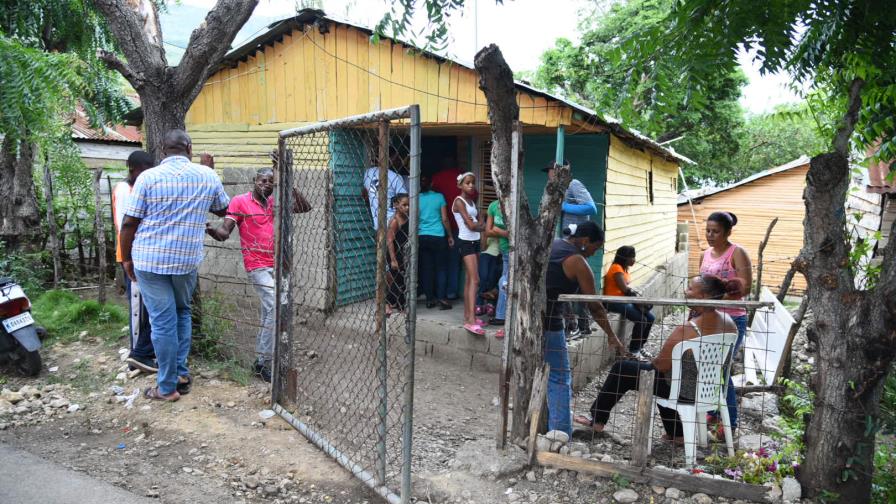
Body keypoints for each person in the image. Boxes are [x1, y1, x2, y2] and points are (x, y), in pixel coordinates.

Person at [119, 130, 230, 401]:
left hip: (150, 261)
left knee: (162, 323)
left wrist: (126, 258)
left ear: (162, 148)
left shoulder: (147, 178)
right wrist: (209, 176)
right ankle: (180, 372)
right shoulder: (206, 175)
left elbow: (129, 223)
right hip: (186, 261)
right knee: (181, 313)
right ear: (189, 148)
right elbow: (223, 208)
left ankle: (167, 387)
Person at [574, 275, 743, 443]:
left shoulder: (689, 328)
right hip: (709, 389)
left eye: (690, 288)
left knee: (623, 369)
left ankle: (596, 419)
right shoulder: (730, 323)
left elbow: (661, 366)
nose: (686, 291)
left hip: (685, 392)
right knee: (665, 378)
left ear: (704, 297)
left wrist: (649, 362)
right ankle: (677, 434)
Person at [206, 156, 312, 382]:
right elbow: (226, 231)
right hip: (257, 264)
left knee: (269, 312)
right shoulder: (240, 202)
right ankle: (264, 361)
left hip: (277, 263)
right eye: (262, 181)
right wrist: (214, 231)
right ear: (254, 181)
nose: (265, 184)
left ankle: (260, 360)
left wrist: (288, 183)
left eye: (270, 182)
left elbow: (305, 207)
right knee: (275, 307)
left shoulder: (275, 202)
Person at [544, 221, 627, 436]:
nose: (593, 253)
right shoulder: (578, 262)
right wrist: (612, 336)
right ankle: (560, 433)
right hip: (550, 325)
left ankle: (539, 423)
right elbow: (595, 307)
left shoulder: (553, 246)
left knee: (538, 372)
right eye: (594, 248)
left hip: (527, 322)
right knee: (560, 377)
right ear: (584, 241)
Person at [699, 211, 752, 439]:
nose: (711, 235)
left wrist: (717, 299)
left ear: (728, 232)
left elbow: (746, 287)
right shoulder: (705, 254)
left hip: (731, 320)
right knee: (706, 367)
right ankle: (712, 412)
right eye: (708, 230)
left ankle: (729, 422)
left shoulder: (737, 253)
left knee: (721, 369)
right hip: (708, 319)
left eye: (716, 231)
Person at [113, 150, 156, 373]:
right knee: (138, 307)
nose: (147, 175)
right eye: (143, 171)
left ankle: (145, 351)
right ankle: (137, 355)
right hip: (131, 256)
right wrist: (128, 258)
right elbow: (125, 225)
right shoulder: (125, 190)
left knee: (148, 308)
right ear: (133, 170)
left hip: (143, 255)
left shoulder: (140, 188)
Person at [544, 160, 597, 336]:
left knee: (581, 286)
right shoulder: (557, 190)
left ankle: (583, 325)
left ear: (561, 171)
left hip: (580, 242)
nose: (549, 175)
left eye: (551, 171)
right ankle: (572, 324)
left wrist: (564, 206)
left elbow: (591, 207)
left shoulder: (574, 184)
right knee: (567, 285)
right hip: (566, 241)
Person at [603, 246, 656, 357]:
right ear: (625, 258)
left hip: (624, 300)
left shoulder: (624, 269)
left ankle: (640, 346)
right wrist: (637, 299)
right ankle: (634, 351)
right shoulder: (616, 268)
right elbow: (624, 289)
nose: (634, 260)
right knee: (641, 320)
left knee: (650, 318)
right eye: (632, 257)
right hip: (614, 302)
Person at [452, 172, 485, 335]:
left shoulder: (471, 201)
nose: (471, 185)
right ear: (460, 185)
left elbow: (480, 223)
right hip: (465, 242)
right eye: (467, 183)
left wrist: (478, 224)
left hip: (475, 241)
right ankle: (471, 320)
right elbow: (473, 226)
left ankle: (467, 315)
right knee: (475, 280)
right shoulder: (459, 202)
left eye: (473, 182)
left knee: (469, 280)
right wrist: (479, 225)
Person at [431, 158, 469, 300]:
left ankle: (437, 293)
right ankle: (451, 292)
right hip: (460, 226)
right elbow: (474, 197)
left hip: (440, 228)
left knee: (439, 262)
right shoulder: (464, 178)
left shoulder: (437, 178)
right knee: (454, 262)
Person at [418, 174, 454, 310]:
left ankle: (429, 299)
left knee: (427, 269)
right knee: (441, 269)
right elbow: (445, 219)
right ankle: (442, 299)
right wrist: (450, 235)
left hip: (422, 236)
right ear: (432, 183)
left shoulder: (415, 199)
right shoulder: (439, 197)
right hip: (438, 236)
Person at [362, 148, 407, 230]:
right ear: (387, 158)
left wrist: (375, 199)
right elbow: (405, 203)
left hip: (378, 224)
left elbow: (365, 194)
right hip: (395, 226)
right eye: (396, 158)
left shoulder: (368, 173)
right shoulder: (396, 177)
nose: (399, 162)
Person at [486, 198, 510, 338]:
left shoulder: (513, 203)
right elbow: (488, 231)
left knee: (504, 282)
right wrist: (503, 233)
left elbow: (516, 232)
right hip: (504, 250)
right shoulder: (493, 206)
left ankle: (501, 315)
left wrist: (498, 230)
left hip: (514, 251)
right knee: (505, 282)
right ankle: (501, 315)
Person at [386, 193, 410, 314]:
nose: (407, 208)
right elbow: (389, 241)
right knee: (397, 280)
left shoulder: (407, 218)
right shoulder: (395, 221)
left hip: (403, 253)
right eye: (404, 205)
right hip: (394, 253)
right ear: (396, 205)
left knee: (403, 279)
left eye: (408, 205)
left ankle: (401, 305)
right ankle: (387, 303)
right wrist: (393, 259)